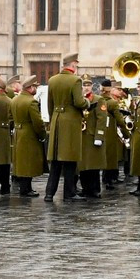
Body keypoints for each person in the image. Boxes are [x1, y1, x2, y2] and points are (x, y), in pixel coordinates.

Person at [43, 58, 86, 202]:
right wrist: (87, 102)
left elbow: (49, 103)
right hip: (70, 123)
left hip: (56, 120)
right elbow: (79, 102)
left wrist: (53, 119)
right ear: (73, 66)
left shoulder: (53, 80)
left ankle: (49, 193)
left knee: (55, 161)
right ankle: (69, 193)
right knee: (70, 160)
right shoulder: (75, 80)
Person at [81, 80, 118, 198]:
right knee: (83, 165)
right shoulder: (79, 100)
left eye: (88, 85)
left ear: (92, 86)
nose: (86, 88)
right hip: (81, 136)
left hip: (92, 136)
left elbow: (102, 119)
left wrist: (99, 135)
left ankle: (95, 189)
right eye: (84, 85)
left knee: (93, 165)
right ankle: (85, 188)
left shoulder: (98, 100)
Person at [9, 78, 46, 196]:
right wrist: (42, 134)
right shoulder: (31, 102)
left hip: (18, 133)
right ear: (30, 88)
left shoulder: (14, 100)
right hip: (29, 134)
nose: (36, 89)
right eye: (35, 87)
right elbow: (37, 122)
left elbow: (10, 117)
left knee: (21, 161)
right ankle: (26, 189)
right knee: (28, 161)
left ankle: (25, 187)